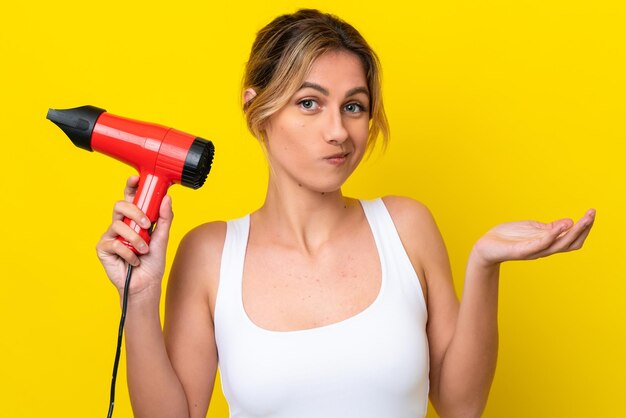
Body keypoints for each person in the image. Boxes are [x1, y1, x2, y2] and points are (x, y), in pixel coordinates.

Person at [95, 8, 596, 418]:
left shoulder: (406, 227)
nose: (338, 131)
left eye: (353, 107)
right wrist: (138, 300)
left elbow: (461, 406)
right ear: (258, 111)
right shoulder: (208, 254)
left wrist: (484, 265)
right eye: (310, 103)